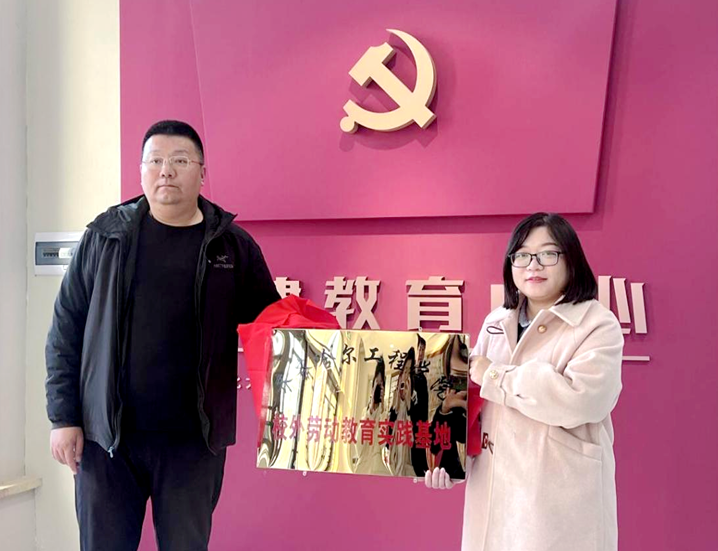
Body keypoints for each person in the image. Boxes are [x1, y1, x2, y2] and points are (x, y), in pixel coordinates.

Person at [45, 120, 280, 551]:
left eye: (180, 160)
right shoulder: (105, 238)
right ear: (141, 172)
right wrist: (63, 417)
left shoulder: (231, 246)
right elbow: (66, 328)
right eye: (155, 161)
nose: (166, 170)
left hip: (193, 445)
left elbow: (273, 327)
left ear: (202, 173)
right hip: (108, 442)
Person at [425, 213, 624, 551]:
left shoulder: (596, 324)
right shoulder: (496, 322)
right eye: (522, 255)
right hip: (493, 498)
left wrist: (495, 375)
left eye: (548, 253)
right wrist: (448, 460)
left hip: (555, 503)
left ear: (571, 260)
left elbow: (581, 400)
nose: (534, 265)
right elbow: (471, 405)